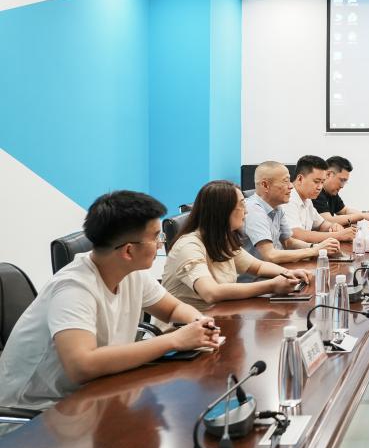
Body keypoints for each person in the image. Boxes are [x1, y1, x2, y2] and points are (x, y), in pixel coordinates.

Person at [0, 191, 220, 418]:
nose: (160, 243)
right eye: (156, 237)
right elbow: (82, 366)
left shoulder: (132, 273)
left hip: (92, 393)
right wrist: (174, 340)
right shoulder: (73, 288)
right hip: (36, 412)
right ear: (128, 250)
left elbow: (173, 309)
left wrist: (200, 322)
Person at [162, 180, 312, 312]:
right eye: (241, 205)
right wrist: (272, 285)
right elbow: (211, 292)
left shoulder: (221, 238)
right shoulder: (189, 246)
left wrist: (288, 273)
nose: (246, 211)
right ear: (222, 211)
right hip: (187, 327)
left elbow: (257, 267)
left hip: (219, 316)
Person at [241, 160, 341, 263]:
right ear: (265, 185)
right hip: (260, 272)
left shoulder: (277, 207)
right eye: (285, 181)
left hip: (277, 267)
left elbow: (288, 242)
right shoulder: (253, 210)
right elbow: (270, 255)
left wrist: (317, 247)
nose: (291, 186)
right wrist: (315, 251)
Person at [285, 155, 355, 244]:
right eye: (316, 181)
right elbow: (297, 235)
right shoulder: (288, 198)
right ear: (300, 179)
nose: (320, 187)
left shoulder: (307, 199)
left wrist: (333, 226)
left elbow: (321, 224)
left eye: (322, 182)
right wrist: (339, 235)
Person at [315, 156, 369, 227]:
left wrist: (366, 215)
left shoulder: (331, 193)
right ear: (328, 174)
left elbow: (345, 211)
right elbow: (328, 221)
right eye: (342, 180)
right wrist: (361, 216)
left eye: (345, 181)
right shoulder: (316, 192)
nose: (342, 186)